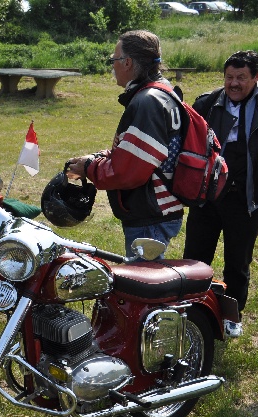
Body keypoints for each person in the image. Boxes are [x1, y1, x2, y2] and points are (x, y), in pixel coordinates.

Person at [183, 50, 258, 338]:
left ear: (257, 77)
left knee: (237, 261)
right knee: (194, 257)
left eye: (241, 78)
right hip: (207, 197)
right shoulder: (207, 103)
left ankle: (232, 316)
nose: (233, 84)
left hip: (247, 197)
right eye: (229, 77)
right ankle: (191, 312)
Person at [66, 30, 185, 258]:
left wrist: (89, 168)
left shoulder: (148, 101)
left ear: (128, 62)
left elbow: (129, 171)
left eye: (114, 60)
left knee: (142, 287)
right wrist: (97, 158)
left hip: (150, 214)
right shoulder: (162, 90)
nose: (113, 66)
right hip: (156, 209)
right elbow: (138, 152)